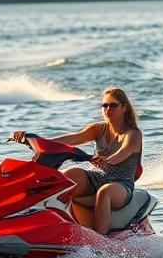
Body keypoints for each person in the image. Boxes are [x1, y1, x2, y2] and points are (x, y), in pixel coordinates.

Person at [11, 87, 142, 235]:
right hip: (97, 177)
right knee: (67, 176)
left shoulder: (133, 134)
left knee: (105, 192)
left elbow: (122, 153)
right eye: (104, 105)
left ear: (124, 107)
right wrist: (36, 142)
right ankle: (41, 222)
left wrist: (107, 160)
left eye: (113, 105)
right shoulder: (98, 129)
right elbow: (71, 139)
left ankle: (101, 238)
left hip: (120, 184)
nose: (107, 109)